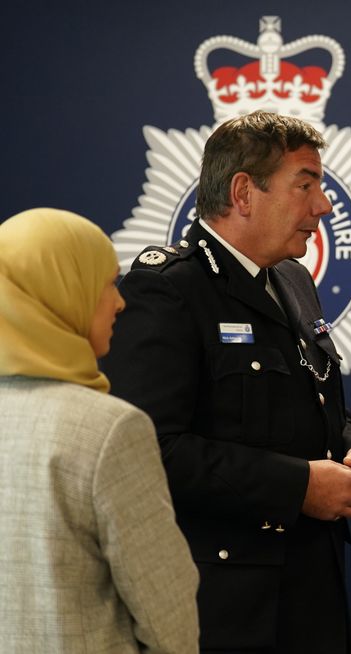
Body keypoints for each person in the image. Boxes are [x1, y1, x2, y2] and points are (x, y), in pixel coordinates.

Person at [101, 111, 351, 653]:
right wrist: (298, 485)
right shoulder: (167, 291)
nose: (323, 206)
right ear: (243, 192)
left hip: (313, 592)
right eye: (305, 185)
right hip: (227, 610)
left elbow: (313, 393)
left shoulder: (294, 279)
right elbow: (149, 452)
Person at [0, 208, 199, 653]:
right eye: (107, 282)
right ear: (62, 292)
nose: (121, 301)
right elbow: (166, 612)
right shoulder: (109, 430)